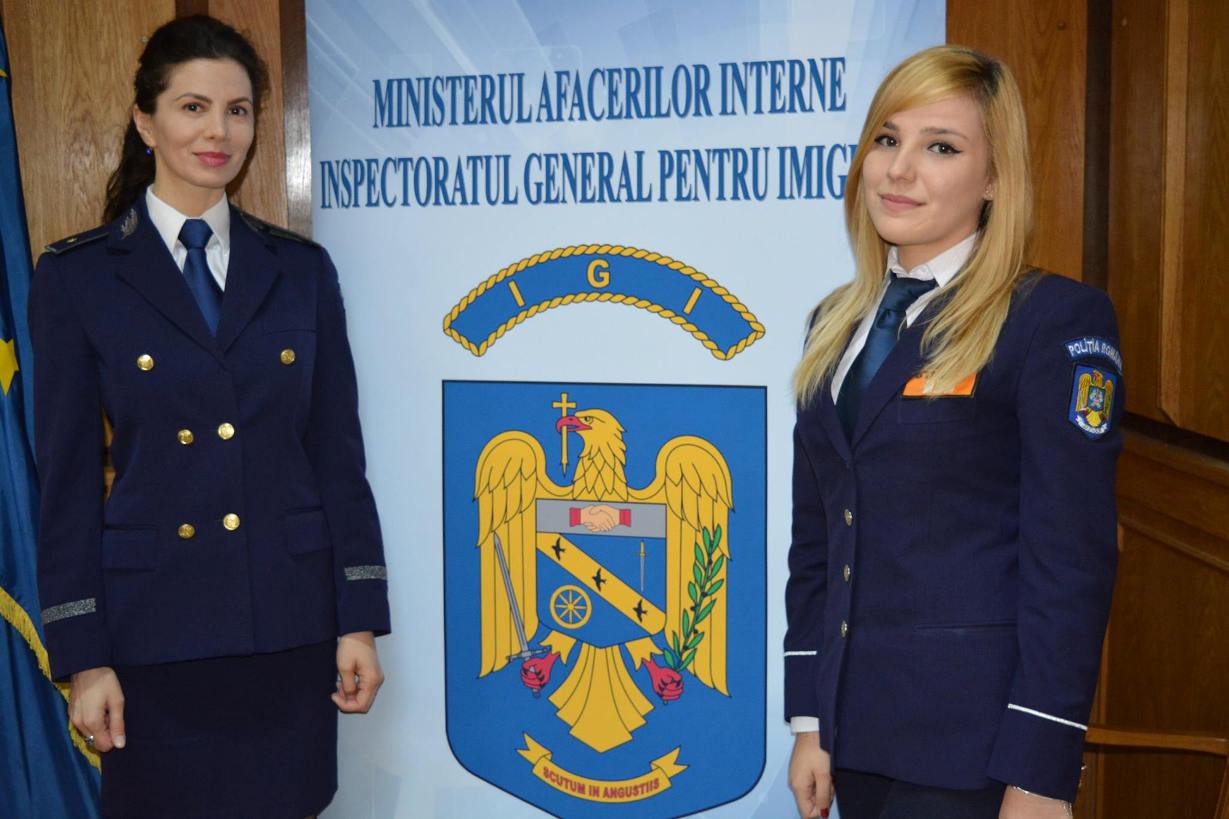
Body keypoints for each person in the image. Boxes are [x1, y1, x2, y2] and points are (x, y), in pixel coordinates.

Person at [29, 15, 390, 817]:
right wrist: (85, 656)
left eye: (237, 110)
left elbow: (337, 458)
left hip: (289, 628)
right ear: (145, 121)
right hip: (155, 635)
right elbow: (66, 482)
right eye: (192, 107)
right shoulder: (80, 278)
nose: (218, 132)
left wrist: (359, 619)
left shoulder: (300, 270)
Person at [784, 45, 1122, 819]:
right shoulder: (832, 324)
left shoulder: (1048, 320)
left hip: (974, 748)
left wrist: (1038, 771)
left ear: (995, 177)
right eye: (886, 138)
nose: (898, 169)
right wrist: (809, 717)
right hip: (853, 731)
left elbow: (1069, 562)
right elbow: (818, 541)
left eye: (940, 147)